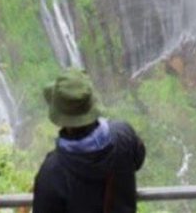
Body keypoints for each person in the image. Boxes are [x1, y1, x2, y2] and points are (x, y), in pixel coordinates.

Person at [32, 68, 146, 213]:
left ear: (61, 119)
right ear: (92, 104)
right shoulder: (124, 134)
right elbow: (138, 159)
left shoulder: (52, 172)